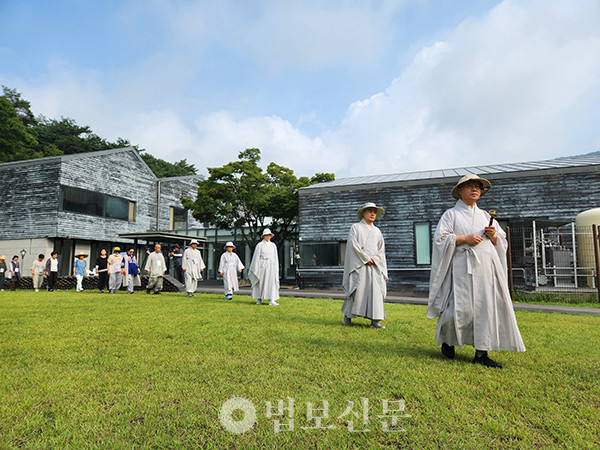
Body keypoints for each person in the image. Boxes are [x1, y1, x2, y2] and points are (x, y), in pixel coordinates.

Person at [427, 174, 526, 369]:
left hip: (484, 270)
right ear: (460, 191)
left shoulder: (485, 216)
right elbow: (440, 240)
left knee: (484, 309)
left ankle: (481, 353)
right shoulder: (451, 215)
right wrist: (464, 238)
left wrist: (495, 236)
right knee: (457, 309)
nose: (475, 189)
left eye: (478, 187)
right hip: (460, 268)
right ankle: (448, 341)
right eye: (470, 186)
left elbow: (502, 242)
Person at [341, 202, 388, 329]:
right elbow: (353, 244)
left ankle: (375, 320)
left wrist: (374, 259)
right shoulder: (355, 227)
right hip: (360, 264)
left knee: (375, 292)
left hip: (374, 265)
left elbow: (381, 249)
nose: (373, 214)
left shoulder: (377, 231)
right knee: (357, 289)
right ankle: (348, 316)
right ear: (363, 213)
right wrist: (366, 258)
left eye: (374, 212)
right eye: (370, 211)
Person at [248, 229, 280, 306]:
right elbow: (256, 257)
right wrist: (257, 267)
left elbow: (275, 257)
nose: (268, 237)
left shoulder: (273, 245)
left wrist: (276, 267)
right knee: (261, 281)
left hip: (271, 266)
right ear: (264, 236)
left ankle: (272, 299)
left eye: (269, 235)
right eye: (266, 235)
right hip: (262, 265)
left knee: (271, 282)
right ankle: (258, 298)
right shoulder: (260, 245)